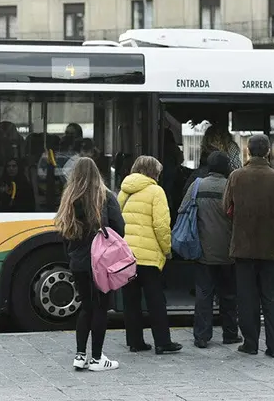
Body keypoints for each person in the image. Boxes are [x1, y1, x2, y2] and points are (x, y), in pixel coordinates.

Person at [223, 134, 274, 358]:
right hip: (270, 246)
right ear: (268, 152)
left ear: (248, 151)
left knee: (247, 298)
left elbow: (226, 207)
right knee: (271, 298)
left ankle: (250, 343)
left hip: (243, 247)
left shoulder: (236, 176)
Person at [55, 157, 125, 371]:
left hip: (78, 262)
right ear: (97, 174)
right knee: (101, 308)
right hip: (100, 262)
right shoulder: (105, 196)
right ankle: (96, 359)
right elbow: (119, 228)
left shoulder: (69, 198)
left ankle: (80, 355)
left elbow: (65, 233)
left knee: (85, 308)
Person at [118, 155, 182, 355]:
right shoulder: (156, 191)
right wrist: (167, 249)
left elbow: (117, 223)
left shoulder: (124, 191)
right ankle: (162, 341)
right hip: (148, 256)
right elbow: (161, 225)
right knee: (155, 300)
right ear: (153, 172)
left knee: (131, 300)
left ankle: (135, 341)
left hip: (127, 255)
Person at [180, 151, 241, 348]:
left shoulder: (197, 185)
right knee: (229, 296)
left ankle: (202, 337)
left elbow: (183, 209)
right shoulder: (232, 187)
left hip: (203, 251)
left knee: (203, 295)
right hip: (229, 252)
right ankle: (230, 334)